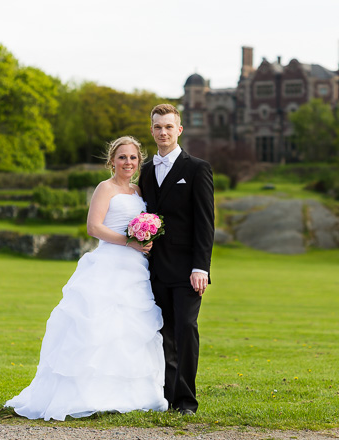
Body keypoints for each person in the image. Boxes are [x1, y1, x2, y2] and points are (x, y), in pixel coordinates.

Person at [5, 136, 168, 421]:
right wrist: (128, 242)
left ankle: (128, 394)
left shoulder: (138, 190)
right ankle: (86, 393)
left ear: (138, 160)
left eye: (132, 157)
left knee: (130, 329)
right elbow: (93, 227)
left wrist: (146, 238)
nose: (127, 163)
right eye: (122, 157)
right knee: (98, 327)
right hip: (110, 262)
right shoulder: (104, 188)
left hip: (136, 268)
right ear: (112, 161)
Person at [138, 104, 215, 415]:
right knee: (163, 333)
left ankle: (185, 401)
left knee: (185, 329)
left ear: (179, 130)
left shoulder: (197, 168)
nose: (163, 132)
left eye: (169, 127)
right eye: (158, 127)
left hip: (187, 270)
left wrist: (201, 267)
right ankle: (166, 398)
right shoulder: (144, 170)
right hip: (154, 268)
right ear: (152, 130)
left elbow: (205, 222)